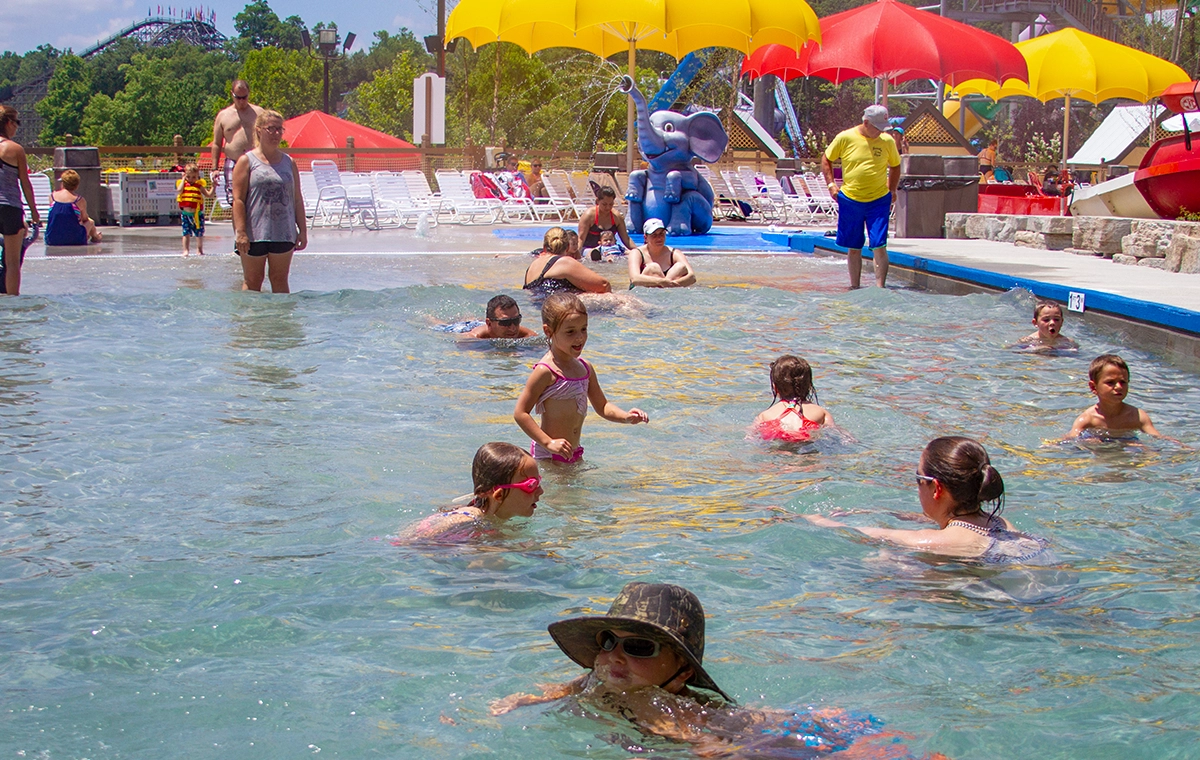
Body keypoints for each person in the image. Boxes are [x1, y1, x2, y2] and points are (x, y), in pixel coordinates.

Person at [491, 582, 937, 758]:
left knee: (826, 746)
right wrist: (525, 699)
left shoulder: (662, 704)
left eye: (639, 646)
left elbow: (701, 739)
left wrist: (712, 751)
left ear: (681, 670)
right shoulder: (600, 676)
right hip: (738, 724)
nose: (614, 656)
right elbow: (570, 685)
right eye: (607, 642)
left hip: (735, 730)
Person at [806, 436, 1051, 563]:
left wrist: (803, 517)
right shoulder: (1002, 523)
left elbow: (853, 532)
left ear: (936, 488)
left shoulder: (933, 541)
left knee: (885, 561)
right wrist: (885, 512)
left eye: (917, 478)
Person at [514, 292, 648, 463]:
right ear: (548, 331)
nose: (579, 337)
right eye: (570, 332)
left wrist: (626, 417)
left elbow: (603, 406)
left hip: (574, 452)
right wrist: (548, 442)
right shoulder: (546, 371)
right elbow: (520, 413)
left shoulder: (585, 368)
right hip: (549, 454)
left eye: (583, 329)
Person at [821, 104, 902, 289]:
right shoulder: (845, 137)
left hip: (879, 199)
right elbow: (826, 158)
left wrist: (893, 189)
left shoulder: (887, 141)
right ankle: (854, 286)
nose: (881, 132)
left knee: (879, 244)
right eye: (877, 128)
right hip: (851, 199)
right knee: (854, 246)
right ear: (865, 122)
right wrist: (831, 185)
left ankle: (880, 287)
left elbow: (895, 165)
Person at [394, 442, 543, 542]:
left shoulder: (488, 519)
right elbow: (409, 542)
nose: (540, 491)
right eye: (531, 486)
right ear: (498, 494)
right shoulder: (467, 521)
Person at [232, 109, 307, 293]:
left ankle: (281, 321)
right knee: (253, 281)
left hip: (283, 231)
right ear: (259, 130)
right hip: (254, 232)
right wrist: (241, 232)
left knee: (279, 279)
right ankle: (250, 321)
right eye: (270, 129)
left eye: (279, 130)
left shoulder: (289, 162)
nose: (275, 134)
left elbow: (296, 199)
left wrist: (302, 230)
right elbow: (238, 199)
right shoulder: (246, 161)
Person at [1065, 354, 1163, 440]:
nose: (1119, 387)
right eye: (1110, 382)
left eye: (1123, 382)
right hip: (1100, 447)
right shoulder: (1088, 419)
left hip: (1127, 445)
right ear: (1093, 387)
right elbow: (1071, 438)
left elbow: (1157, 438)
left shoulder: (1137, 416)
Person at [0, 106, 40, 295]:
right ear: (8, 123)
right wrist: (33, 211)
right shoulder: (15, 149)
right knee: (12, 262)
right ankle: (12, 303)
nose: (17, 127)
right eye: (17, 122)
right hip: (10, 207)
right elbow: (25, 183)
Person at [753, 355, 832, 442]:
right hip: (806, 439)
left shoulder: (765, 416)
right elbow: (836, 433)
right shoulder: (820, 412)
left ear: (775, 388)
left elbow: (751, 437)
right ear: (809, 386)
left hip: (778, 441)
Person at [211, 80, 264, 207]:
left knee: (257, 197)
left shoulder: (259, 113)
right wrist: (214, 168)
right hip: (233, 160)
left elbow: (268, 137)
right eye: (238, 97)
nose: (241, 101)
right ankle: (238, 227)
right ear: (232, 94)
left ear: (249, 94)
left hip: (255, 160)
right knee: (234, 200)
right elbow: (217, 143)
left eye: (244, 97)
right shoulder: (223, 115)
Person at [524, 227, 611, 296]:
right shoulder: (564, 262)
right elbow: (604, 285)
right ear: (568, 247)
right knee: (620, 300)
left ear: (544, 247)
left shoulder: (532, 265)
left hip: (540, 308)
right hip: (559, 308)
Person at [627, 218, 696, 288]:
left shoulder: (674, 253)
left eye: (661, 234)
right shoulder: (636, 253)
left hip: (670, 287)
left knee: (680, 267)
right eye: (654, 235)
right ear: (646, 237)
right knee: (653, 268)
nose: (659, 238)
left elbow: (692, 277)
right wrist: (661, 282)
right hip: (643, 291)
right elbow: (634, 279)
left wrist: (671, 284)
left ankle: (666, 292)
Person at [44, 170, 102, 246]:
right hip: (75, 239)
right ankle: (96, 237)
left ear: (63, 183)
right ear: (76, 185)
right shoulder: (79, 200)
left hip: (52, 239)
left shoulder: (52, 197)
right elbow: (85, 219)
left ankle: (95, 236)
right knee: (90, 222)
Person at [578, 186, 634, 251]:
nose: (608, 207)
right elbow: (581, 239)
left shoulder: (616, 217)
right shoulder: (589, 216)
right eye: (604, 204)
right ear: (597, 201)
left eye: (611, 204)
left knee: (627, 252)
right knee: (594, 253)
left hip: (610, 249)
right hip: (590, 250)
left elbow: (626, 239)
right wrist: (576, 255)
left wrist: (637, 251)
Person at [176, 163, 215, 257]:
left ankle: (199, 249)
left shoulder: (199, 186)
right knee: (186, 233)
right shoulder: (184, 185)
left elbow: (209, 195)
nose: (191, 179)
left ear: (198, 176)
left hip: (197, 215)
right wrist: (183, 179)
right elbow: (179, 190)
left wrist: (214, 186)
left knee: (199, 233)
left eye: (194, 177)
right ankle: (185, 250)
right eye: (188, 176)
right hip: (186, 214)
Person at [464, 294, 539, 339]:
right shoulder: (475, 337)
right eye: (505, 322)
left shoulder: (527, 335)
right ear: (489, 323)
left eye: (516, 320)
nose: (513, 328)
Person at [1014, 301, 1078, 352]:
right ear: (1035, 323)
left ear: (1062, 322)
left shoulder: (1068, 342)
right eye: (1046, 320)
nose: (1052, 323)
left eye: (1056, 319)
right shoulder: (1028, 341)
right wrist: (1036, 349)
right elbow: (1010, 350)